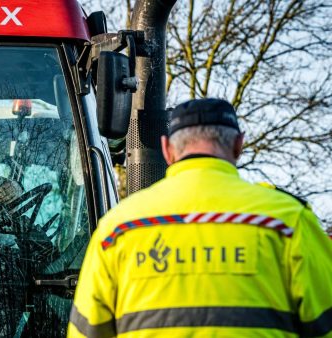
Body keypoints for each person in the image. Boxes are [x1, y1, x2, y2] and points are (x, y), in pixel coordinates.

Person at [68, 98, 332, 337]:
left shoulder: (117, 229)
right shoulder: (289, 222)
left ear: (166, 149)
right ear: (239, 144)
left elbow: (86, 332)